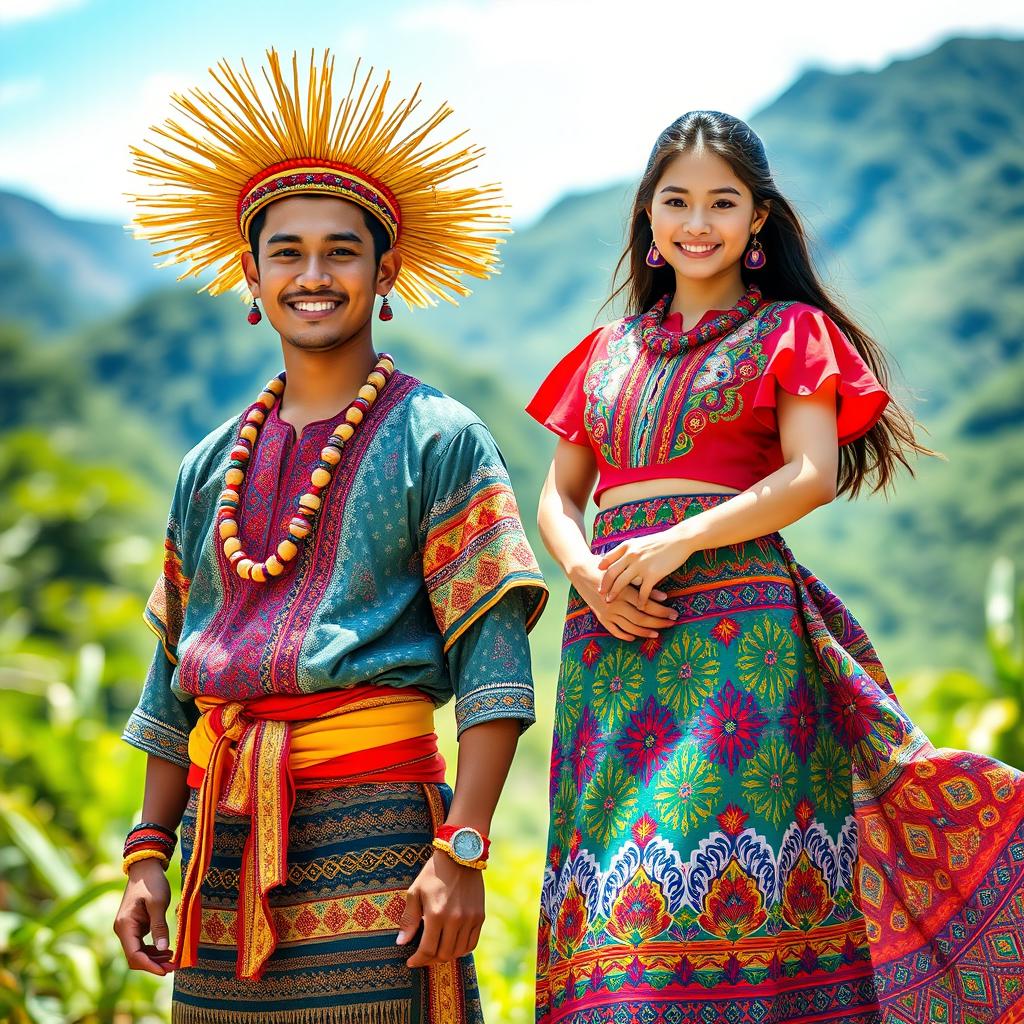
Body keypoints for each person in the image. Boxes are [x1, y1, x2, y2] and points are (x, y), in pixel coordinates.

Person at [526, 110, 1024, 1023]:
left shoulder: (790, 330)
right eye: (676, 201)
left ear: (759, 220)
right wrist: (587, 576)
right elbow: (559, 498)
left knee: (706, 881)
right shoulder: (604, 354)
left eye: (723, 202)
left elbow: (811, 474)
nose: (698, 222)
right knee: (607, 915)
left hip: (738, 647)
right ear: (647, 215)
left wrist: (680, 540)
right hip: (608, 649)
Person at [112, 50, 548, 1024]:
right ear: (250, 275)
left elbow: (494, 662)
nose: (314, 275)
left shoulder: (439, 438)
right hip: (221, 852)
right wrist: (148, 851)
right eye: (288, 252)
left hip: (383, 837)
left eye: (342, 250)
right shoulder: (205, 467)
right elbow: (171, 677)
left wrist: (462, 848)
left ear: (384, 271)